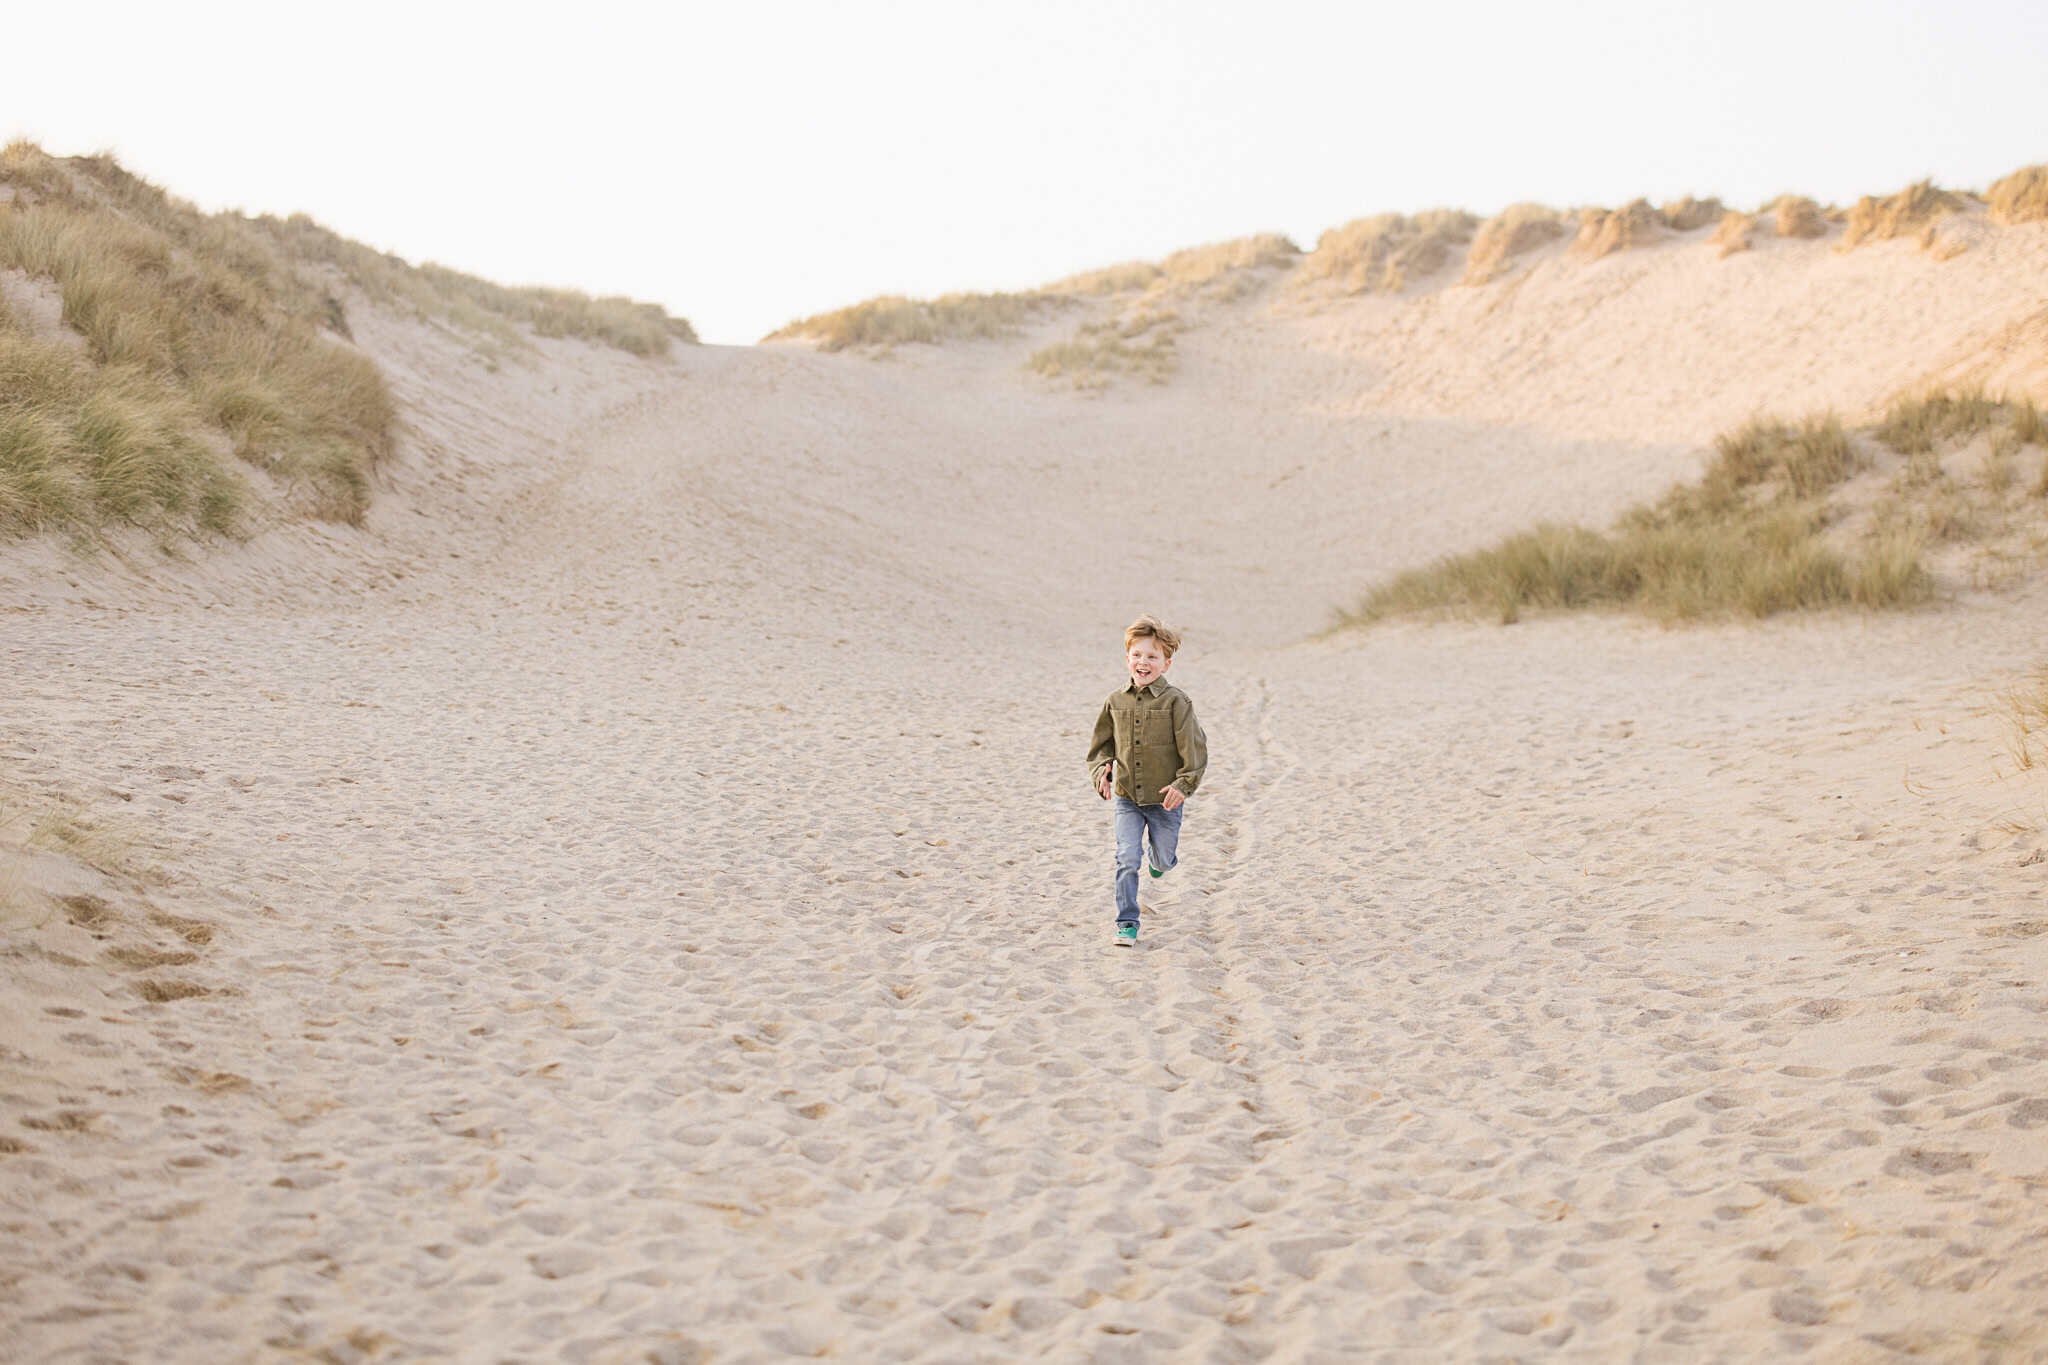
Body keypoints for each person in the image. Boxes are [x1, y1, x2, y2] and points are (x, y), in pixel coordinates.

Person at [1084, 615, 1209, 946]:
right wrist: (1102, 772)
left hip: (1165, 800)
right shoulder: (1115, 701)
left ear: (1166, 664)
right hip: (1127, 797)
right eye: (1137, 655)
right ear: (1127, 658)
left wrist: (1184, 784)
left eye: (1152, 657)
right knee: (1126, 858)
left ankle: (1160, 861)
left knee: (1164, 858)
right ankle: (1126, 922)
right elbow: (1100, 748)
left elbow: (1194, 749)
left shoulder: (1176, 702)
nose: (1143, 662)